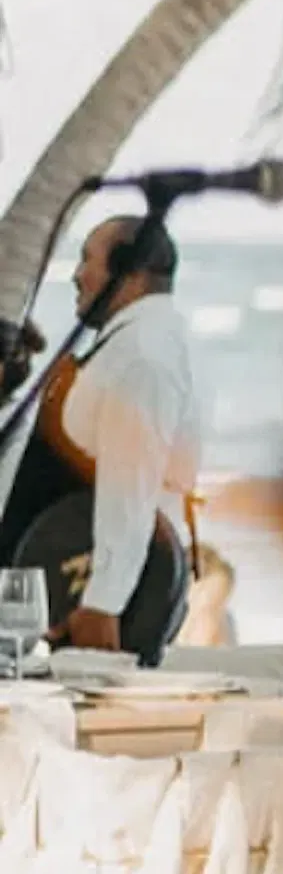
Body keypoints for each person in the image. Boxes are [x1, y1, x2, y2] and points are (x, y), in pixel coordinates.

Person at [0, 203, 202, 655]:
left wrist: (103, 603)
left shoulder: (143, 356)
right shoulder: (128, 344)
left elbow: (128, 485)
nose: (77, 275)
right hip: (46, 601)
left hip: (82, 612)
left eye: (87, 258)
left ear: (128, 271)